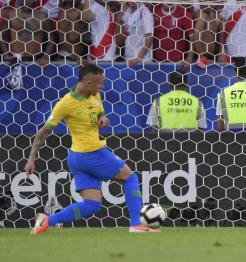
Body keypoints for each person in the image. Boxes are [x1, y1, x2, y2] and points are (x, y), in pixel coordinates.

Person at [24, 64, 159, 234]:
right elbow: (42, 132)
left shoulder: (95, 95)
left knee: (92, 205)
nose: (102, 87)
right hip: (91, 153)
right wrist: (31, 158)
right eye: (99, 83)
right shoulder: (65, 104)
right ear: (88, 83)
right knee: (130, 177)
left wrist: (103, 118)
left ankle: (46, 221)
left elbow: (99, 112)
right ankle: (136, 225)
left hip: (77, 158)